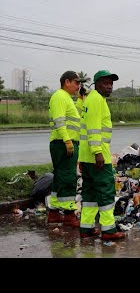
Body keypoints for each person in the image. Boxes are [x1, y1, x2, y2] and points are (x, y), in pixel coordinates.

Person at [78, 70, 125, 240]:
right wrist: (98, 152)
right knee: (105, 192)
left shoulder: (91, 99)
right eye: (106, 83)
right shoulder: (97, 100)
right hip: (98, 156)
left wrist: (82, 158)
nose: (109, 87)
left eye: (111, 84)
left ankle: (86, 228)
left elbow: (85, 130)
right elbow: (94, 130)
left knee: (89, 194)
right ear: (97, 84)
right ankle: (109, 230)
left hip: (86, 156)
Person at [47, 71, 87, 227]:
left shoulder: (67, 98)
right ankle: (69, 215)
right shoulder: (59, 96)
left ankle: (54, 213)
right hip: (63, 144)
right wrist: (67, 140)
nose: (79, 86)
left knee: (59, 178)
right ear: (67, 82)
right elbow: (59, 121)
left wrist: (81, 100)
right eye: (76, 83)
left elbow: (76, 116)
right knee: (68, 178)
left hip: (65, 143)